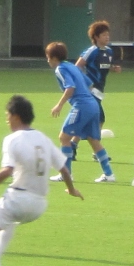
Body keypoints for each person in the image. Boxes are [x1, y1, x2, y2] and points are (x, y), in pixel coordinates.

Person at [0, 95, 82, 266]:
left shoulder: (12, 139)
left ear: (16, 117)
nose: (6, 120)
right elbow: (64, 169)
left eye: (7, 116)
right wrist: (71, 189)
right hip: (39, 204)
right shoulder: (43, 139)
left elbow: (6, 171)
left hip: (19, 198)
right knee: (8, 221)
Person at [46, 41, 114, 183]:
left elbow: (70, 87)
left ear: (53, 58)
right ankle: (109, 174)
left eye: (48, 57)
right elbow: (89, 83)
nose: (48, 60)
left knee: (64, 138)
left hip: (82, 105)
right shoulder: (72, 66)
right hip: (93, 104)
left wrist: (59, 105)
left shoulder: (61, 69)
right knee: (93, 140)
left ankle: (66, 174)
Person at [75, 20, 121, 127]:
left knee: (91, 119)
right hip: (90, 91)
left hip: (99, 90)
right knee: (100, 118)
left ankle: (74, 141)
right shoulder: (92, 51)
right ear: (96, 37)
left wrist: (113, 68)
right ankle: (94, 141)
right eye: (104, 35)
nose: (107, 37)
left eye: (108, 34)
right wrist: (86, 84)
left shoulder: (109, 51)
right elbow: (77, 67)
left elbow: (102, 65)